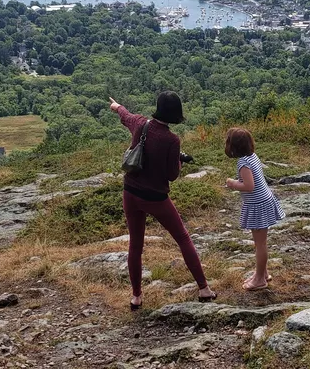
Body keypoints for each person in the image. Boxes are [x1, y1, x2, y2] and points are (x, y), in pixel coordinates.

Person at [109, 92, 217, 310]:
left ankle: (136, 296)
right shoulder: (172, 140)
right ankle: (204, 288)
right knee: (183, 238)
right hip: (156, 197)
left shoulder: (141, 124)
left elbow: (126, 115)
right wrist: (178, 163)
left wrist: (116, 106)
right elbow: (171, 175)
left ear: (157, 108)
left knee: (135, 245)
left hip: (130, 192)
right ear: (177, 113)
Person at [224, 128, 285, 291]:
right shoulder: (251, 156)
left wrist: (232, 184)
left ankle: (259, 280)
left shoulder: (243, 163)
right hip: (263, 201)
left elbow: (249, 186)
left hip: (258, 205)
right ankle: (263, 273)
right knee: (259, 242)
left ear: (233, 147)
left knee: (260, 244)